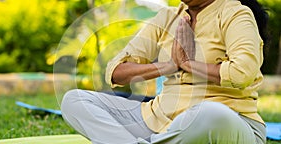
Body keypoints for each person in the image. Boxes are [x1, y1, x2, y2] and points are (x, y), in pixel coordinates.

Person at [61, 0, 268, 143]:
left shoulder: (236, 14)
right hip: (157, 120)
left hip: (227, 122)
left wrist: (188, 64)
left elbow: (242, 73)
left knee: (208, 114)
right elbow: (115, 71)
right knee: (74, 100)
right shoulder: (168, 17)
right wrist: (168, 66)